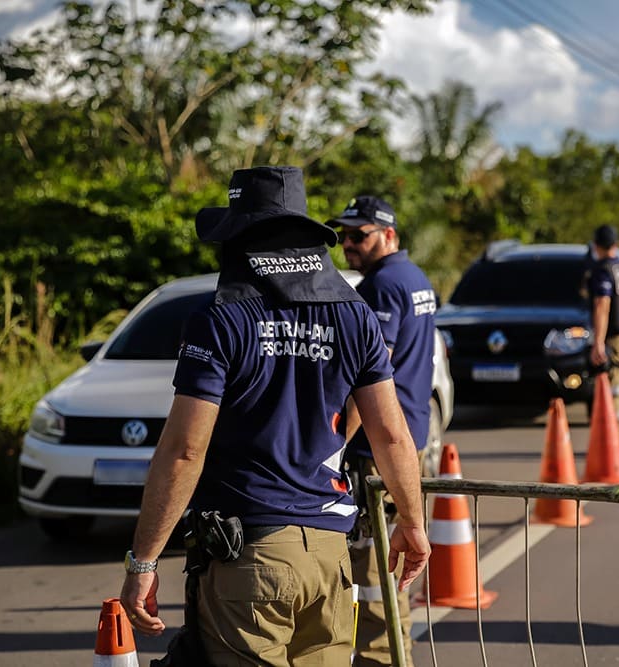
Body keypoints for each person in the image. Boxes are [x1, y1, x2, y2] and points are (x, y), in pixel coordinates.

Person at [118, 166, 430, 666]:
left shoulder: (219, 321)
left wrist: (143, 563)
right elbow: (393, 435)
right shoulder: (355, 316)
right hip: (330, 558)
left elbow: (184, 451)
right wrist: (413, 523)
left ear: (239, 239)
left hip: (251, 558)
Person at [331, 195, 437, 666]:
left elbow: (369, 378)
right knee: (388, 571)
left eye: (359, 235)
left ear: (388, 235)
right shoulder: (413, 278)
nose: (348, 244)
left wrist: (333, 444)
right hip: (409, 439)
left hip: (380, 450)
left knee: (375, 577)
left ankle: (383, 659)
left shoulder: (383, 286)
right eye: (344, 235)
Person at [587, 224, 619, 424]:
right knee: (616, 390)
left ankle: (613, 447)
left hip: (615, 338)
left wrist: (598, 342)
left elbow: (602, 306)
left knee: (611, 393)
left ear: (596, 245)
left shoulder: (603, 270)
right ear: (617, 244)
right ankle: (614, 444)